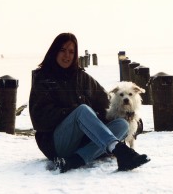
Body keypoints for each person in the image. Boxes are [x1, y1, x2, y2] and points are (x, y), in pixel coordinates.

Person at [29, 32, 150, 173]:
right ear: (54, 51)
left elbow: (106, 103)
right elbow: (39, 118)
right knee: (82, 110)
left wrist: (133, 119)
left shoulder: (82, 77)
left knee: (122, 125)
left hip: (83, 141)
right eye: (62, 50)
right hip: (57, 143)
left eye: (71, 52)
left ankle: (74, 161)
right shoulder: (43, 78)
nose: (67, 55)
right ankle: (120, 151)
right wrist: (72, 113)